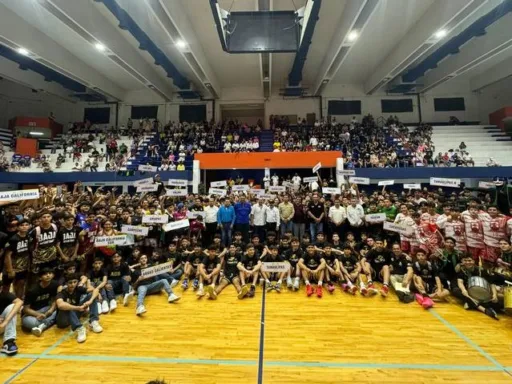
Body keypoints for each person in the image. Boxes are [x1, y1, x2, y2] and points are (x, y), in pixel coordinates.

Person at [56, 273, 103, 343]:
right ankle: (80, 328)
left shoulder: (78, 289)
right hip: (63, 320)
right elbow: (60, 305)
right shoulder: (62, 293)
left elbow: (95, 290)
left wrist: (90, 301)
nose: (73, 284)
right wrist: (77, 308)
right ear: (66, 284)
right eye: (70, 283)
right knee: (67, 306)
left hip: (75, 314)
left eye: (75, 282)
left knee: (90, 296)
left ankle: (94, 321)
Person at [451, 255, 499, 320]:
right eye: (465, 261)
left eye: (469, 260)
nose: (467, 262)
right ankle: (483, 309)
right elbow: (460, 282)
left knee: (495, 302)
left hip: (476, 291)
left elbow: (491, 283)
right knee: (457, 291)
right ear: (463, 262)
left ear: (473, 261)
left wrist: (495, 294)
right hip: (464, 289)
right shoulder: (461, 270)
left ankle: (470, 304)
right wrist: (463, 290)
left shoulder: (481, 270)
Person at [22, 268, 59, 337]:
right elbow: (26, 309)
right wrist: (38, 314)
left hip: (46, 309)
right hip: (32, 313)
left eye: (50, 273)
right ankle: (47, 323)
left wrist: (51, 310)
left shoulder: (54, 284)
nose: (48, 276)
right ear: (40, 277)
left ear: (53, 275)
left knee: (59, 309)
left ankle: (42, 326)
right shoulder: (32, 290)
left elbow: (55, 299)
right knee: (27, 322)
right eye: (45, 274)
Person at [0, 291, 23, 355]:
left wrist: (5, 321)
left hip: (1, 325)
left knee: (12, 307)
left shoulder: (4, 294)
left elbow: (19, 302)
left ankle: (9, 342)